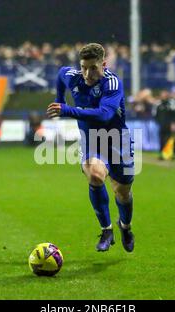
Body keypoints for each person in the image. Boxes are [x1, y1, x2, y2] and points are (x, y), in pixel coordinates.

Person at [47, 43, 135, 252]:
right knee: (95, 175)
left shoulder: (112, 84)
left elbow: (105, 114)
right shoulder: (72, 75)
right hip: (91, 139)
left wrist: (67, 109)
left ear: (103, 64)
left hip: (117, 140)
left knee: (122, 192)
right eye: (84, 67)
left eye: (93, 68)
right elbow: (60, 75)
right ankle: (106, 230)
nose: (87, 73)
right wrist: (59, 99)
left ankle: (126, 227)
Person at [154, 89, 175, 160]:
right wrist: (158, 122)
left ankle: (169, 154)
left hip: (169, 125)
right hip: (161, 125)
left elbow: (174, 115)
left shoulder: (171, 104)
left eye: (165, 94)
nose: (164, 96)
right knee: (162, 140)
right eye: (163, 94)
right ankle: (162, 154)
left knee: (169, 140)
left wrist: (173, 123)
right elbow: (155, 115)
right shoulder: (158, 105)